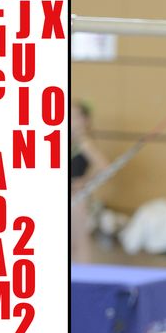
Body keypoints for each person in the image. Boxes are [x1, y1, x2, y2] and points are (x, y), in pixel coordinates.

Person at [70, 100, 109, 264]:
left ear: (84, 120)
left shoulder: (84, 142)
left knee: (79, 242)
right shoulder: (71, 141)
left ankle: (81, 274)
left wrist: (84, 182)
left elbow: (104, 166)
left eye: (73, 116)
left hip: (77, 198)